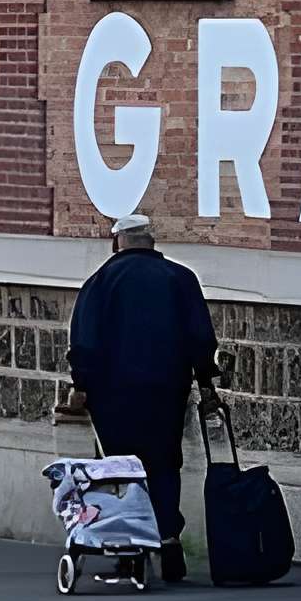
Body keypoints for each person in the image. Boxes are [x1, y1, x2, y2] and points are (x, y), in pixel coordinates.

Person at [65, 214, 215, 580]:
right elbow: (200, 337)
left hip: (112, 395)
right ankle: (168, 539)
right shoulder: (181, 279)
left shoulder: (100, 282)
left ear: (117, 241)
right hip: (166, 390)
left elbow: (84, 341)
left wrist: (80, 386)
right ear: (151, 241)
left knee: (120, 468)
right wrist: (206, 382)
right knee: (164, 463)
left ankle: (129, 544)